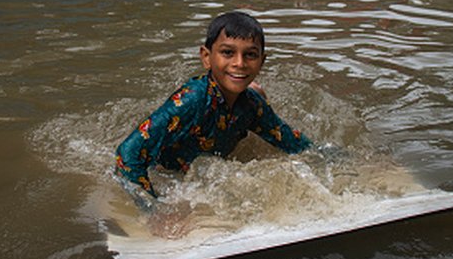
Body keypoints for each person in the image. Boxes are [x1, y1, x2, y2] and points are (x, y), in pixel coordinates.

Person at [114, 11, 312, 207]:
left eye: (250, 55)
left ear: (262, 62)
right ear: (206, 57)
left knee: (258, 94)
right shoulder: (192, 100)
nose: (239, 63)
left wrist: (334, 159)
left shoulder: (252, 105)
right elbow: (128, 153)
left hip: (206, 163)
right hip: (165, 175)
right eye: (228, 52)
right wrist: (154, 209)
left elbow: (293, 143)